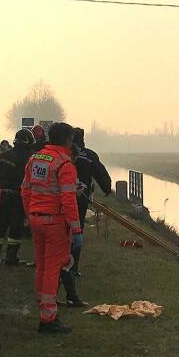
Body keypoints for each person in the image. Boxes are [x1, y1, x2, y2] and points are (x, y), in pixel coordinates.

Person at [22, 122, 80, 334]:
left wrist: (30, 214)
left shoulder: (36, 158)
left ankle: (43, 305)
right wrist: (76, 230)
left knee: (42, 265)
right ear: (67, 140)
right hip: (54, 221)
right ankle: (48, 317)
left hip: (36, 218)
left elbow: (25, 190)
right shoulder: (65, 164)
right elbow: (68, 199)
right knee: (53, 267)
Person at [58, 127, 112, 306]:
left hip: (58, 201)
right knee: (76, 233)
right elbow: (102, 174)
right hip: (79, 199)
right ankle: (73, 268)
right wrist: (106, 189)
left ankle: (64, 268)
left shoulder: (61, 154)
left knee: (62, 236)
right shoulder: (89, 155)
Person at [0, 128, 33, 262]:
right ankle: (11, 256)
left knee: (1, 225)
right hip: (19, 197)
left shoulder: (3, 156)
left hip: (4, 196)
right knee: (16, 226)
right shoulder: (29, 158)